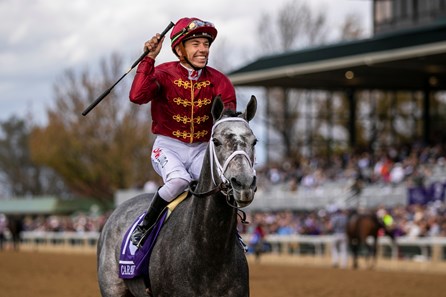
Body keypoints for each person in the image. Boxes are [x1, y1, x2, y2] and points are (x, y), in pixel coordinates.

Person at [128, 17, 237, 247]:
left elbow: (228, 121)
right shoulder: (163, 74)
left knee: (221, 184)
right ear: (179, 49)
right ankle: (145, 225)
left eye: (206, 44)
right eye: (196, 44)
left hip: (201, 149)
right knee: (178, 181)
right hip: (169, 147)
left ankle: (231, 235)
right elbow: (137, 96)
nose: (203, 50)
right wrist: (149, 58)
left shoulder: (220, 81)